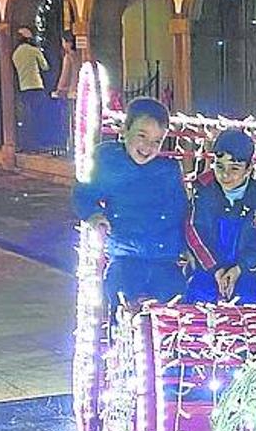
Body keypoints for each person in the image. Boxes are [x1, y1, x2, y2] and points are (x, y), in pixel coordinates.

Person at [72, 97, 189, 312]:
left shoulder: (168, 169)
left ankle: (166, 344)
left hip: (164, 256)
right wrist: (94, 215)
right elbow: (84, 193)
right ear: (125, 130)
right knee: (120, 294)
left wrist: (186, 246)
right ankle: (119, 339)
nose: (148, 147)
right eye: (141, 136)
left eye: (156, 141)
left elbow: (180, 209)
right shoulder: (108, 161)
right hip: (126, 253)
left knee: (176, 300)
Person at [184, 128, 256, 304]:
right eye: (219, 166)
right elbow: (194, 232)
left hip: (245, 269)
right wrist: (215, 269)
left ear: (249, 169)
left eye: (235, 168)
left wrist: (239, 269)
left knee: (246, 304)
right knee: (199, 301)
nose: (225, 175)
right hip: (208, 267)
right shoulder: (203, 191)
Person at [12, 26, 49, 152]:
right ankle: (38, 144)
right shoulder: (34, 50)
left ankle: (26, 144)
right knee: (38, 116)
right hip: (36, 86)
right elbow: (45, 66)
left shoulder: (15, 53)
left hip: (24, 88)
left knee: (27, 117)